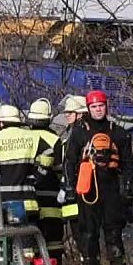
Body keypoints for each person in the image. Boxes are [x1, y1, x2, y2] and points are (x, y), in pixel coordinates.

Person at [62, 90, 133, 265]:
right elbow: (70, 162)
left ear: (106, 106)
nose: (98, 110)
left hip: (110, 189)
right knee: (88, 233)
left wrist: (128, 188)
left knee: (113, 232)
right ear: (88, 108)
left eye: (101, 106)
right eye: (94, 107)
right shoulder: (79, 133)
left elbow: (128, 163)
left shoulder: (118, 132)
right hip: (88, 190)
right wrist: (70, 186)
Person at [0, 104, 53, 222]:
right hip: (28, 202)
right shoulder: (33, 137)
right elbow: (49, 153)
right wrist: (37, 177)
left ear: (1, 123)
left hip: (2, 203)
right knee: (30, 238)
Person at [27, 98, 69, 265]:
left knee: (31, 238)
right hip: (51, 196)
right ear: (49, 118)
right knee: (53, 238)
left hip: (29, 195)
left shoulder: (23, 138)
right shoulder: (55, 140)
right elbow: (60, 169)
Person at [58, 94, 88, 252]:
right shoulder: (69, 134)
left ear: (81, 114)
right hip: (72, 192)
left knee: (84, 233)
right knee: (78, 233)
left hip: (79, 191)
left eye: (69, 113)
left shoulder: (80, 134)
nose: (66, 116)